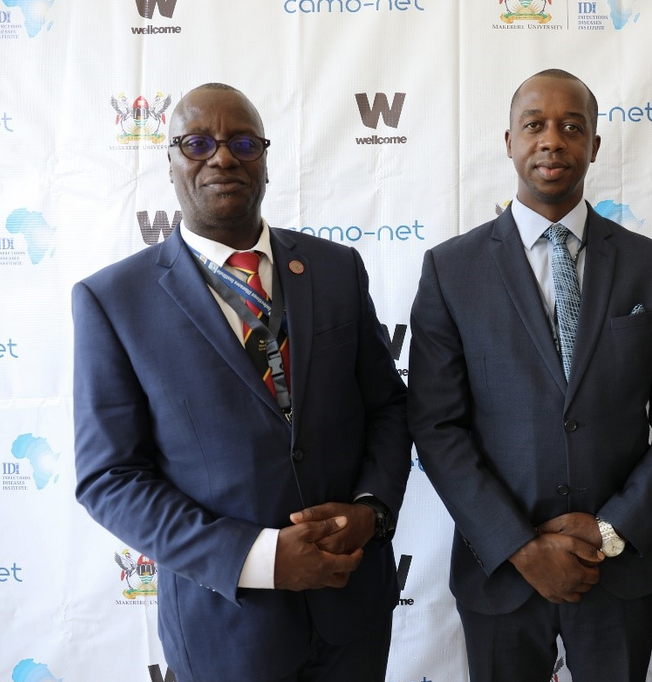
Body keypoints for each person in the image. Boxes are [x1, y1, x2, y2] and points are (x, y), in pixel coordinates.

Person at [72, 83, 410, 682]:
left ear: (266, 161)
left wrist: (371, 511)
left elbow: (386, 407)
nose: (223, 158)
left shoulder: (336, 269)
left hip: (353, 609)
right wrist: (260, 559)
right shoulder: (112, 301)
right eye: (198, 143)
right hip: (226, 627)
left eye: (243, 143)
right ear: (171, 161)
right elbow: (109, 478)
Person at [407, 69, 652, 682]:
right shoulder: (450, 270)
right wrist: (519, 547)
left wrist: (612, 530)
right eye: (535, 126)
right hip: (501, 571)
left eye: (573, 127)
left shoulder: (650, 267)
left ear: (594, 145)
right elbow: (437, 427)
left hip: (617, 567)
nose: (553, 140)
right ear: (509, 141)